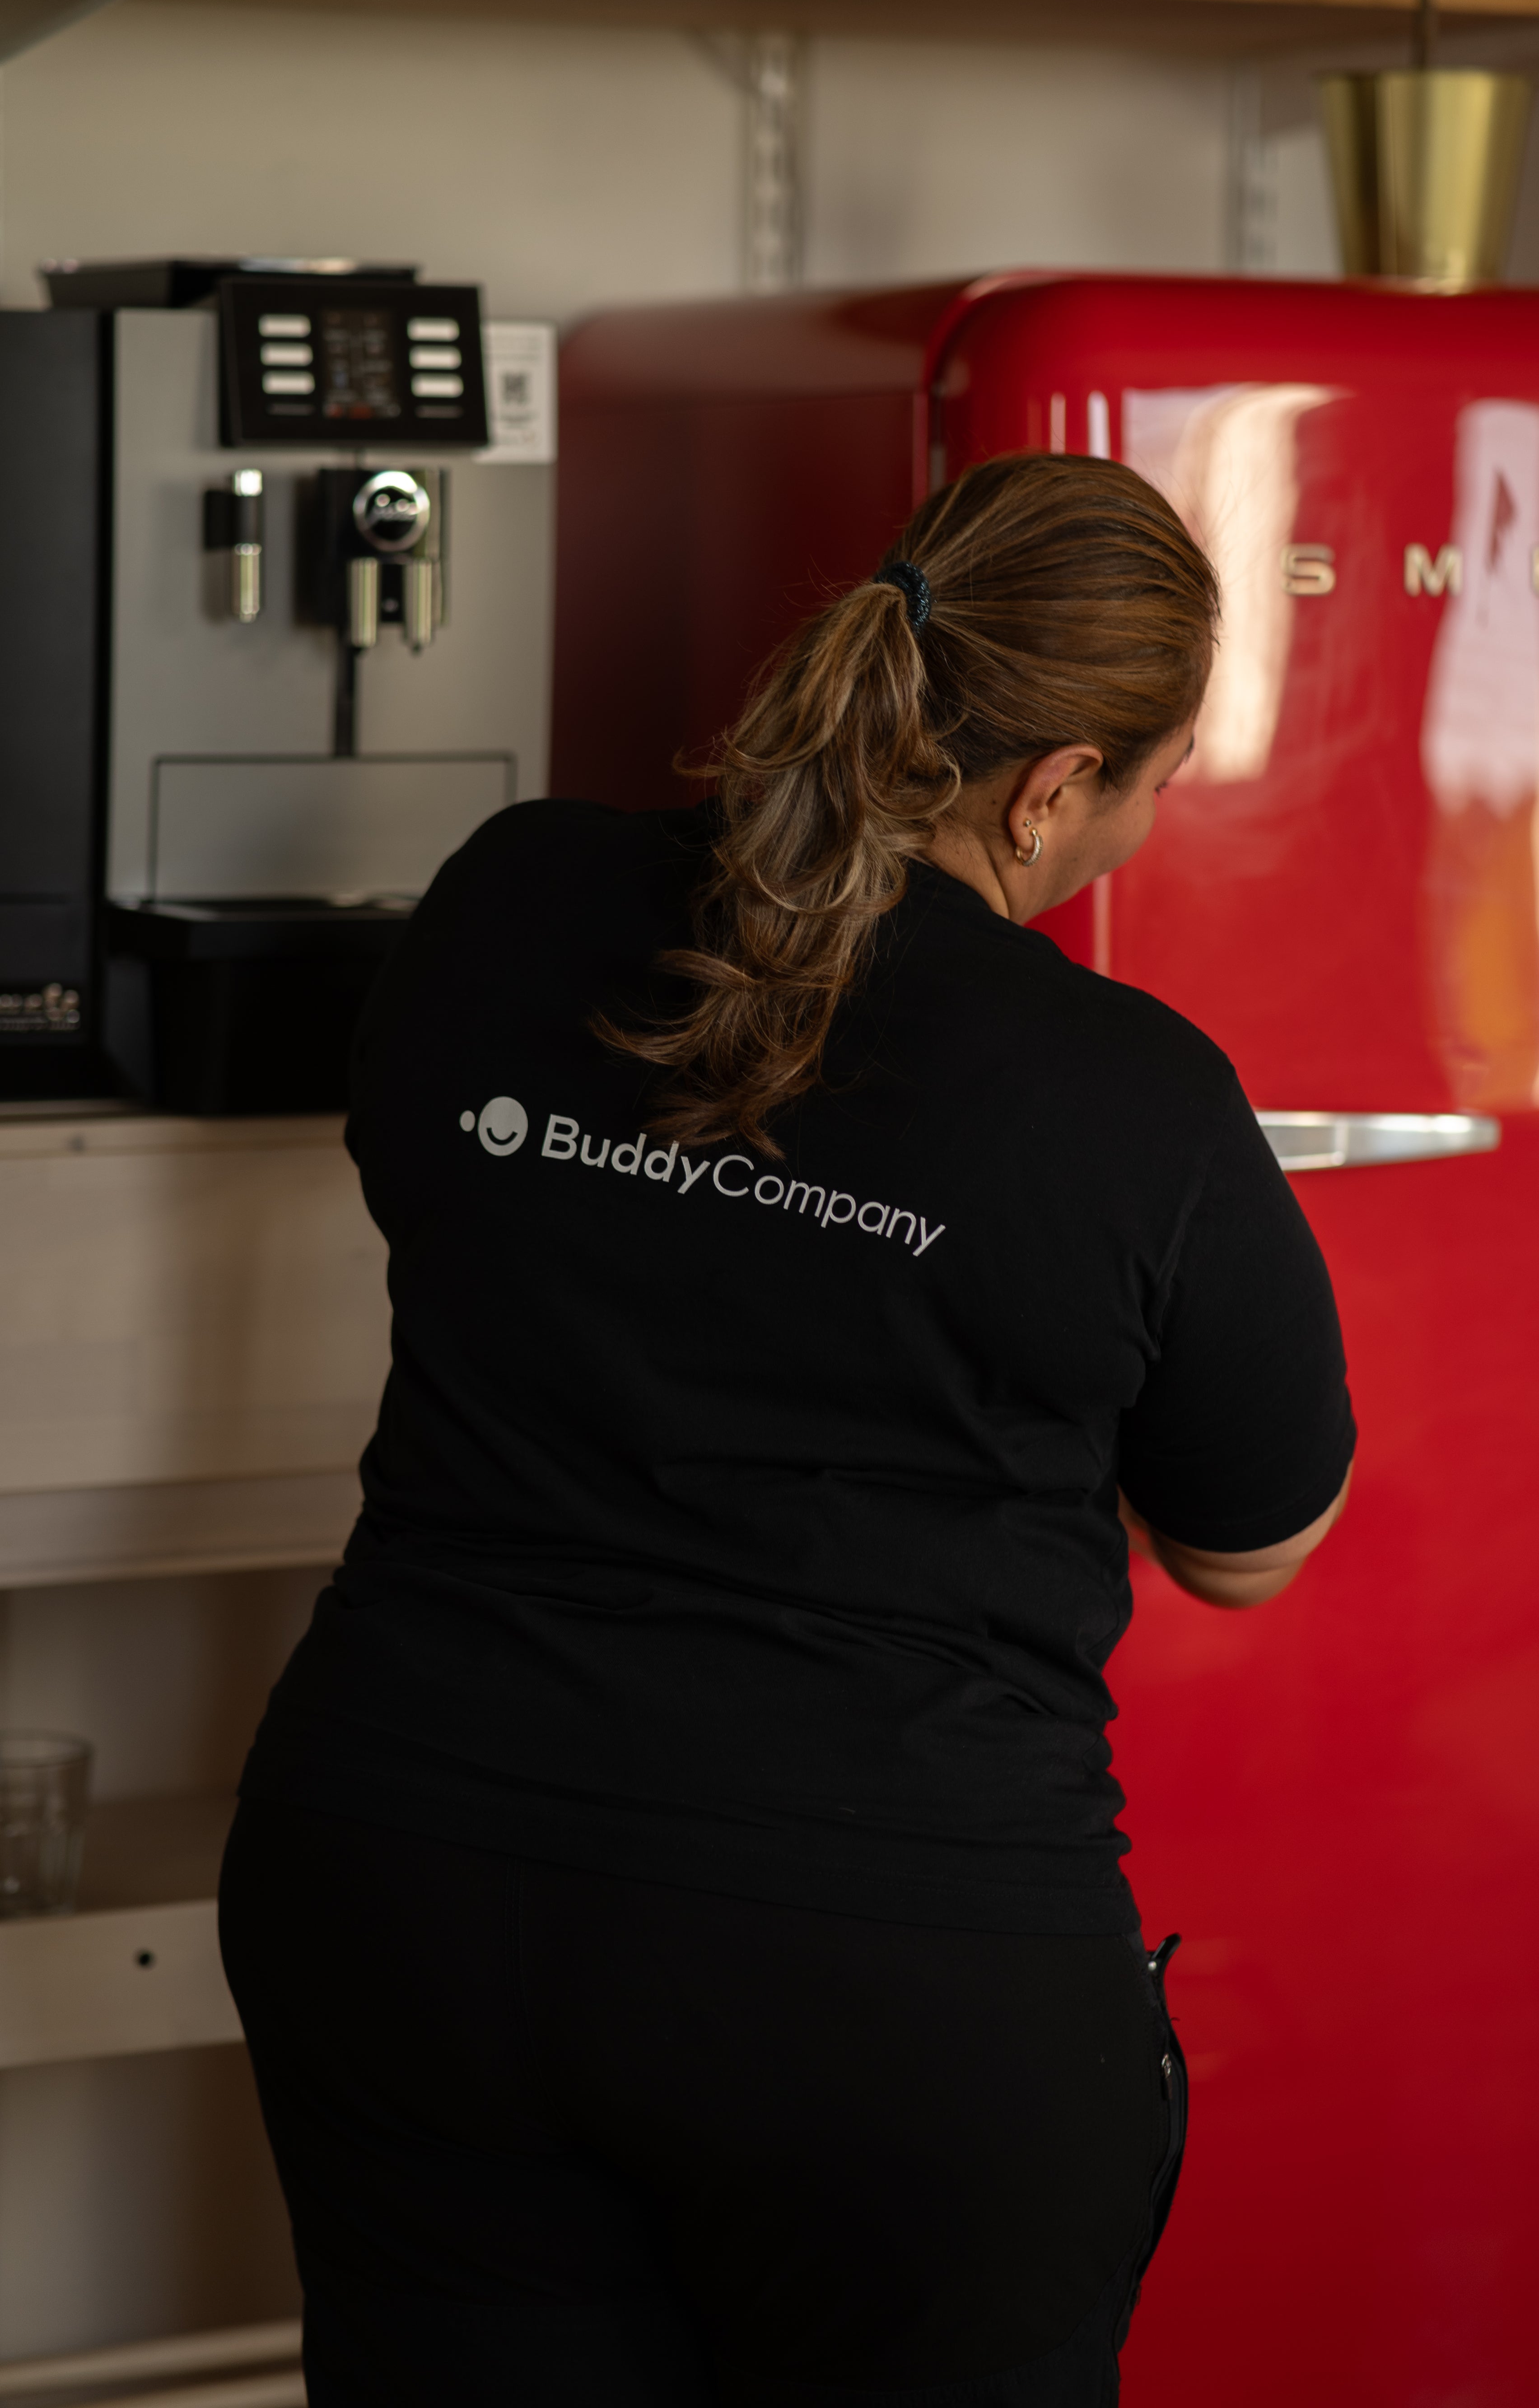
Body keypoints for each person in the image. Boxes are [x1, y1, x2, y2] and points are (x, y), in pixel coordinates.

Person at [220, 450, 1355, 2408]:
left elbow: (439, 1199)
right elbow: (1250, 1544)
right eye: (1155, 786)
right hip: (891, 1969)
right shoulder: (1134, 1096)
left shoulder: (514, 895)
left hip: (412, 1879)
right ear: (1055, 783)